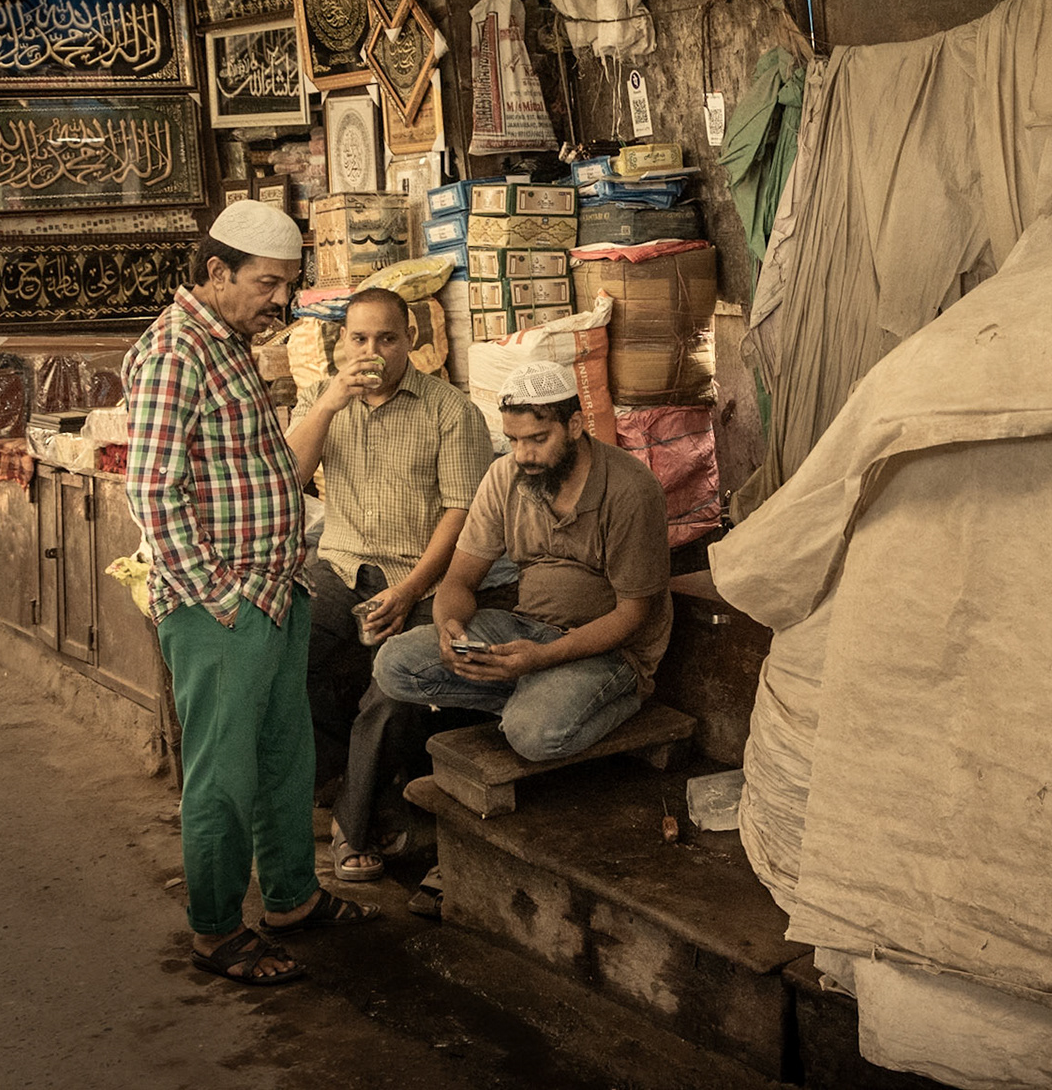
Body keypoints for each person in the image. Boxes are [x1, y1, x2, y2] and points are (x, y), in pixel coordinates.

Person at [124, 201, 377, 988]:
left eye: (288, 285)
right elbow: (153, 491)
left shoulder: (227, 342)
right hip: (223, 610)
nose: (280, 300)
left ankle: (292, 899)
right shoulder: (176, 351)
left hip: (274, 592)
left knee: (282, 761)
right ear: (216, 271)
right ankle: (216, 930)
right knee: (224, 778)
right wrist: (219, 596)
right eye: (267, 283)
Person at [372, 358, 672, 782]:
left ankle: (607, 697)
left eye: (537, 439)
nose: (523, 455)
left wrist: (543, 659)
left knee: (533, 736)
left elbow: (633, 615)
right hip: (526, 629)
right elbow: (459, 580)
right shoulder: (505, 476)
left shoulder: (631, 490)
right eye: (513, 440)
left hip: (608, 652)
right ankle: (534, 695)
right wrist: (449, 628)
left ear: (574, 425)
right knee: (394, 664)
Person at [285, 287, 492, 882]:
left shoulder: (450, 411)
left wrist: (407, 591)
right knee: (282, 652)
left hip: (422, 578)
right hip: (341, 568)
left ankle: (355, 824)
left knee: (395, 686)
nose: (371, 351)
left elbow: (461, 515)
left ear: (411, 341)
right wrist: (329, 404)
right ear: (341, 341)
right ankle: (334, 780)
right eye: (359, 338)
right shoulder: (322, 400)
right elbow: (289, 477)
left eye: (387, 338)